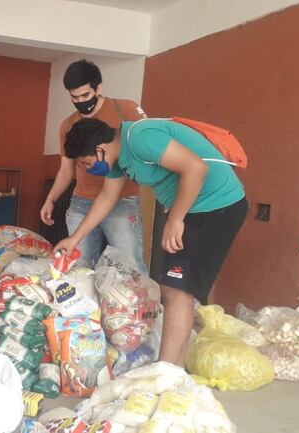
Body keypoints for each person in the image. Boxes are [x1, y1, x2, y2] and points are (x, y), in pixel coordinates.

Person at [55, 118, 247, 366]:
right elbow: (107, 197)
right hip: (195, 210)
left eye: (87, 163)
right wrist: (74, 238)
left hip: (214, 207)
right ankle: (172, 368)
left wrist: (175, 219)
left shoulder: (140, 137)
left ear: (100, 149)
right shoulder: (118, 159)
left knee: (177, 291)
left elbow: (195, 168)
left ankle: (165, 369)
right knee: (175, 289)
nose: (89, 170)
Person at [40, 59, 148, 270]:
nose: (80, 102)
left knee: (129, 267)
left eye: (85, 95)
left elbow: (146, 148)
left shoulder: (125, 109)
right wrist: (51, 199)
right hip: (82, 201)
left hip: (122, 200)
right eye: (74, 97)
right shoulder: (68, 125)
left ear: (98, 88)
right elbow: (66, 170)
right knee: (79, 267)